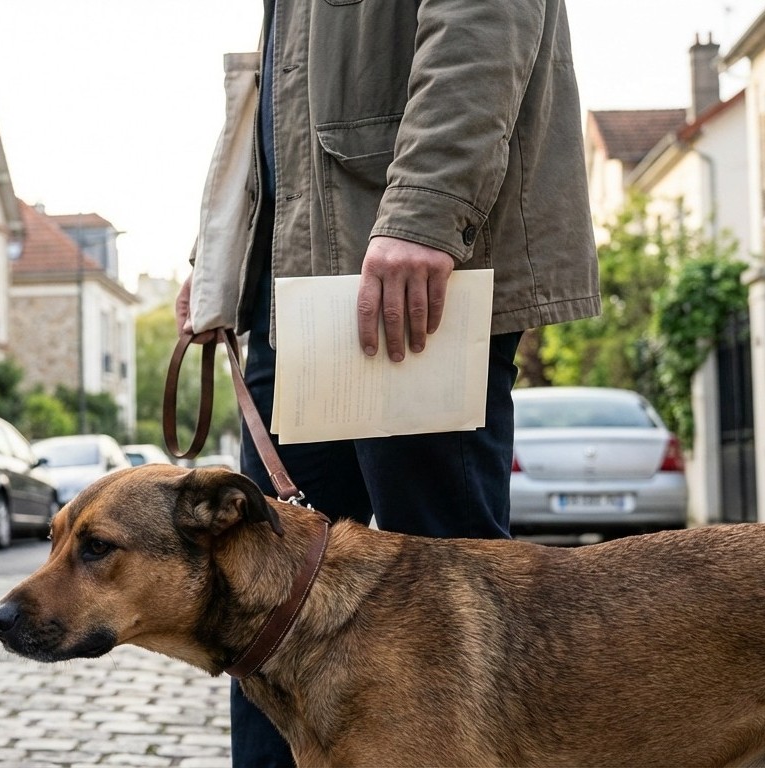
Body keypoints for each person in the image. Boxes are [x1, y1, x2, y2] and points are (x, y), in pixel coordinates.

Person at [174, 1, 601, 765]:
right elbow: (289, 91)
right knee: (259, 597)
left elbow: (481, 23)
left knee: (450, 594)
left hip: (405, 268)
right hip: (295, 285)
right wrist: (218, 258)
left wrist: (425, 211)